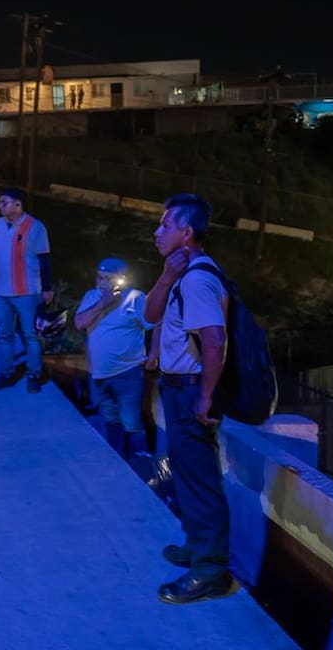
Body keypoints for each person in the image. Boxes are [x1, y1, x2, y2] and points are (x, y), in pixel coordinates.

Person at [143, 193, 233, 605]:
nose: (157, 231)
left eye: (165, 225)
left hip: (191, 390)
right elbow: (150, 314)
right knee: (186, 473)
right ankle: (199, 548)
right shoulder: (180, 273)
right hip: (177, 389)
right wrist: (163, 277)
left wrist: (206, 397)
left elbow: (214, 340)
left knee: (199, 480)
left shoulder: (198, 278)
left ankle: (211, 570)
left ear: (187, 232)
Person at [74, 257, 153, 459]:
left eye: (107, 279)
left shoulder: (135, 298)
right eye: (99, 278)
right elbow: (79, 323)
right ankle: (118, 462)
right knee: (110, 420)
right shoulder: (92, 297)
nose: (101, 283)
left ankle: (141, 466)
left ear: (121, 279)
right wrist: (102, 303)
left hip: (128, 374)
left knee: (131, 423)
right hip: (99, 374)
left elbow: (156, 323)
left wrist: (154, 354)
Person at [0, 187, 54, 394]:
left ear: (17, 204)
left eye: (3, 202)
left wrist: (47, 288)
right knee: (5, 335)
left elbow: (44, 259)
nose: (0, 205)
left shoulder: (35, 227)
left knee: (30, 335)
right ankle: (6, 374)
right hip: (1, 292)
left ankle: (34, 374)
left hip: (27, 291)